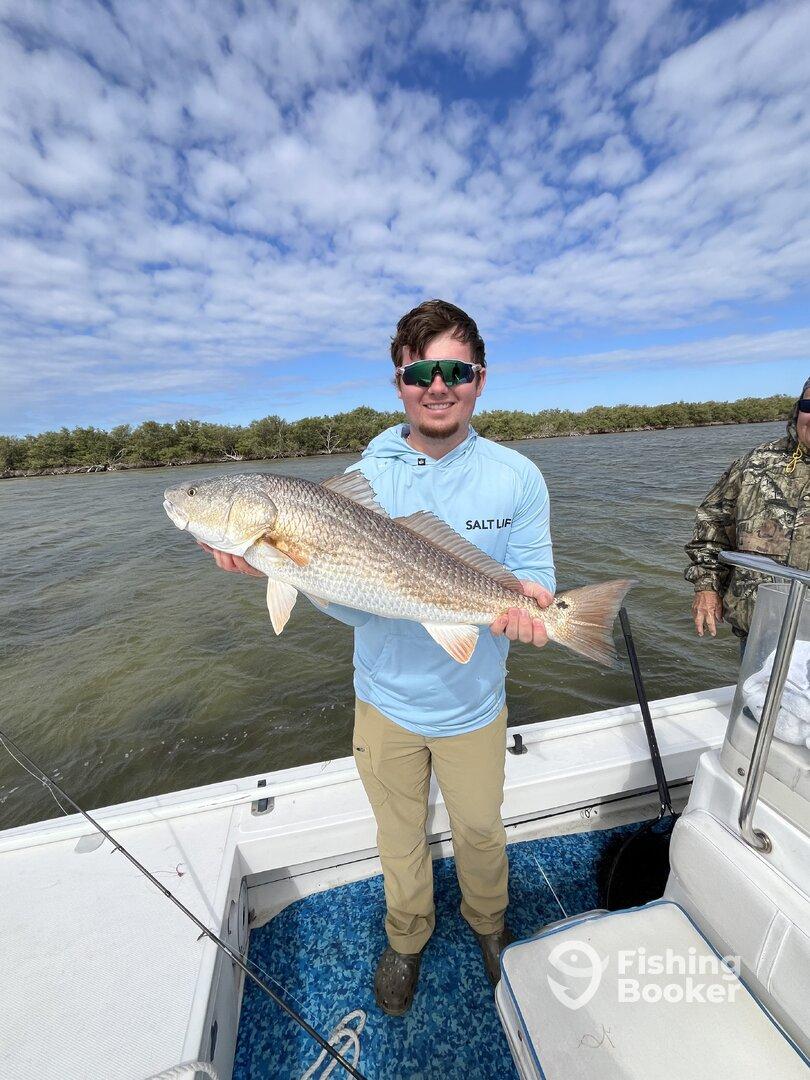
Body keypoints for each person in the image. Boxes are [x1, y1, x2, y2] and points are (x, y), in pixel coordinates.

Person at [201, 299, 555, 1014]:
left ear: (480, 379)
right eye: (419, 371)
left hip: (474, 703)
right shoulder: (368, 474)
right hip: (385, 702)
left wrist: (536, 609)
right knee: (399, 840)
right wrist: (279, 566)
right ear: (399, 383)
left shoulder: (519, 476)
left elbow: (534, 577)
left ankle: (490, 928)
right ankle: (407, 936)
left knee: (482, 830)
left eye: (454, 369)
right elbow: (354, 593)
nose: (437, 384)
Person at [685, 376, 810, 647]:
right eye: (809, 404)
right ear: (798, 410)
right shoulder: (755, 462)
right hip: (760, 633)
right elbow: (712, 522)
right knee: (757, 691)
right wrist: (706, 585)